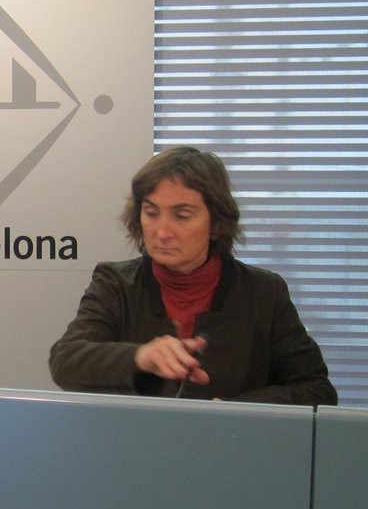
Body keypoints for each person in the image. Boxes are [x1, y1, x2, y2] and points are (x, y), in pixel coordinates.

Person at [49, 146, 335, 405]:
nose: (162, 232)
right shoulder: (115, 283)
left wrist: (239, 411)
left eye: (182, 215)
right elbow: (65, 362)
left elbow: (316, 390)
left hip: (231, 443)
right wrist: (141, 356)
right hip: (135, 443)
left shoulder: (264, 292)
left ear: (217, 223)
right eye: (151, 213)